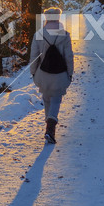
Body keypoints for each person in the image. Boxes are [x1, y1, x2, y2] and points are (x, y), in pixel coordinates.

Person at [30, 7, 74, 144]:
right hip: (60, 74)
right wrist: (70, 73)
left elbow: (34, 57)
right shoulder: (65, 35)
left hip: (43, 74)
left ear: (46, 19)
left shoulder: (38, 34)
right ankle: (50, 127)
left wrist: (33, 72)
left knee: (47, 99)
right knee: (56, 100)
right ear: (58, 18)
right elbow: (69, 57)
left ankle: (49, 127)